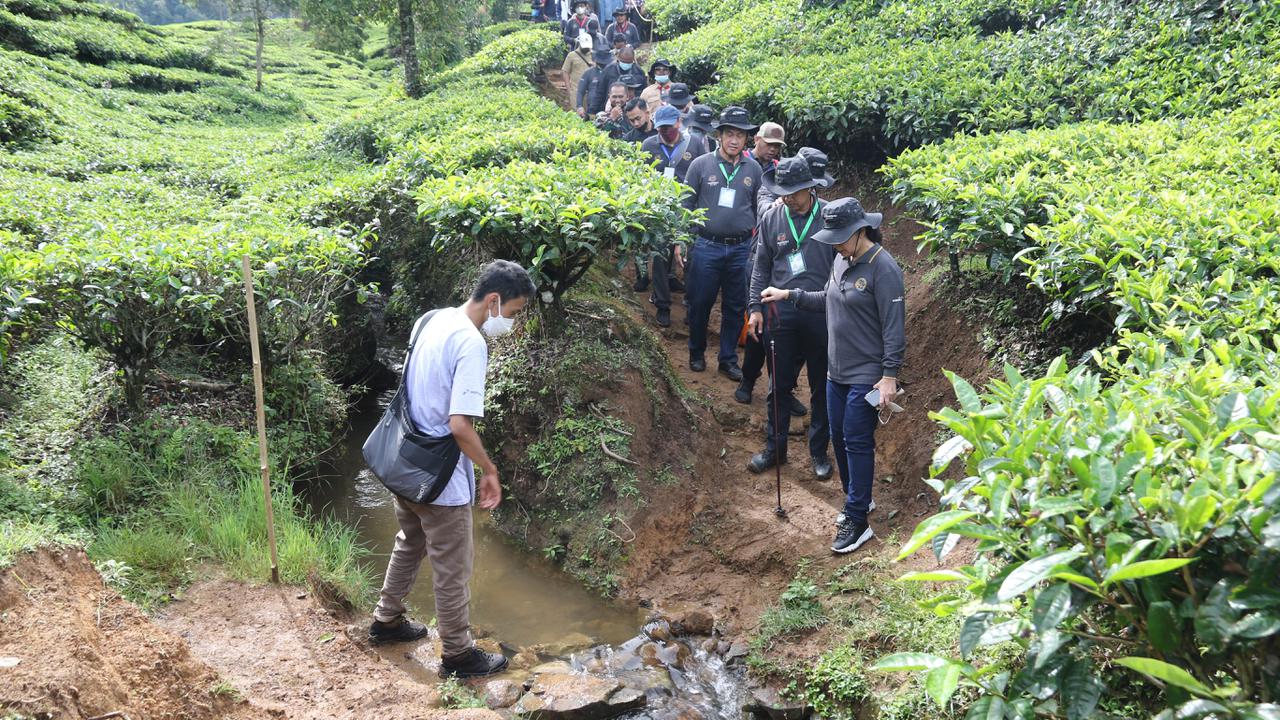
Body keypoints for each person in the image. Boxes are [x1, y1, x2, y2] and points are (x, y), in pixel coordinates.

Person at [370, 260, 538, 676]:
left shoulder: (430, 320)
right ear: (494, 300)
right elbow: (459, 425)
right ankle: (459, 655)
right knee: (453, 568)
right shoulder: (470, 343)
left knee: (410, 540)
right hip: (440, 479)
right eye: (513, 311)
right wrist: (490, 470)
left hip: (405, 461)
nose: (511, 321)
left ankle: (386, 619)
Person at [760, 198, 905, 555]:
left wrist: (889, 376)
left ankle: (857, 520)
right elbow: (828, 297)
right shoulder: (843, 259)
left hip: (866, 373)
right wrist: (789, 294)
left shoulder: (883, 268)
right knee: (838, 436)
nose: (835, 245)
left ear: (860, 231)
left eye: (840, 238)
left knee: (856, 440)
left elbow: (894, 328)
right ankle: (859, 496)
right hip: (835, 370)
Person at [746, 157, 836, 480]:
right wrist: (755, 308)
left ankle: (818, 451)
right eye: (783, 193)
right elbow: (761, 266)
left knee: (821, 385)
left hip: (821, 312)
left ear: (810, 188)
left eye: (794, 193)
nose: (788, 199)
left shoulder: (828, 216)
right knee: (778, 385)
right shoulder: (772, 217)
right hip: (780, 313)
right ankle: (775, 448)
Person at [681, 106, 763, 376]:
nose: (734, 140)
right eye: (729, 134)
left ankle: (728, 359)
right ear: (719, 135)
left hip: (740, 248)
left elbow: (758, 207)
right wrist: (682, 241)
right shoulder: (700, 165)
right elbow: (686, 204)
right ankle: (696, 352)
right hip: (707, 245)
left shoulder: (754, 169)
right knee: (700, 302)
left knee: (735, 306)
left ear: (747, 139)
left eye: (740, 135)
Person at [641, 104, 708, 327]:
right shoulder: (649, 145)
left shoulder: (694, 144)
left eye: (669, 127)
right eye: (661, 128)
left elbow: (705, 172)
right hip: (662, 211)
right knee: (661, 257)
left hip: (688, 210)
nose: (665, 131)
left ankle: (690, 305)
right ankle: (662, 304)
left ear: (679, 122)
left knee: (690, 259)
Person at [576, 47, 614, 117]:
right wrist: (579, 106)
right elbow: (580, 91)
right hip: (592, 109)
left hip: (609, 109)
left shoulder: (613, 72)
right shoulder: (589, 73)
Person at [561, 34, 594, 102]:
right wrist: (569, 90)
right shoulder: (571, 55)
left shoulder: (594, 55)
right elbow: (565, 71)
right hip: (576, 92)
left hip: (590, 93)